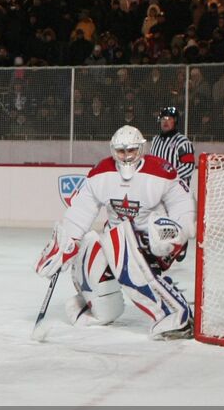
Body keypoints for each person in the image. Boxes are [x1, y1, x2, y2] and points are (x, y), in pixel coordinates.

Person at [35, 126, 197, 339]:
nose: (127, 157)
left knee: (122, 249)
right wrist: (66, 242)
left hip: (154, 241)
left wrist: (180, 232)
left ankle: (177, 315)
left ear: (141, 148)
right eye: (121, 152)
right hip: (116, 239)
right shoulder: (102, 173)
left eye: (131, 151)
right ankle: (98, 311)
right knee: (89, 254)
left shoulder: (160, 171)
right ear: (113, 151)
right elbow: (82, 209)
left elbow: (182, 203)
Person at [148, 105, 195, 186]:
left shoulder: (183, 142)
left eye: (169, 119)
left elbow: (188, 167)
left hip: (177, 190)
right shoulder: (155, 140)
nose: (165, 122)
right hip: (158, 188)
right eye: (163, 119)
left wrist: (169, 176)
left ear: (175, 121)